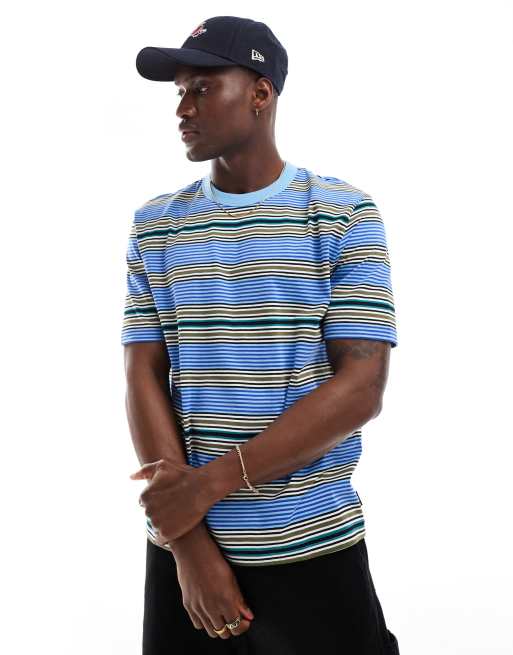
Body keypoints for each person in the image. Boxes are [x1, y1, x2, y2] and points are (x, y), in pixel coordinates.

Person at [122, 15, 400, 655]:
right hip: (186, 550)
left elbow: (362, 388)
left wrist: (207, 485)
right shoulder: (156, 225)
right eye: (179, 93)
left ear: (260, 92)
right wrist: (189, 545)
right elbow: (143, 376)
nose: (183, 109)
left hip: (311, 541)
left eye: (201, 88)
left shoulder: (341, 213)